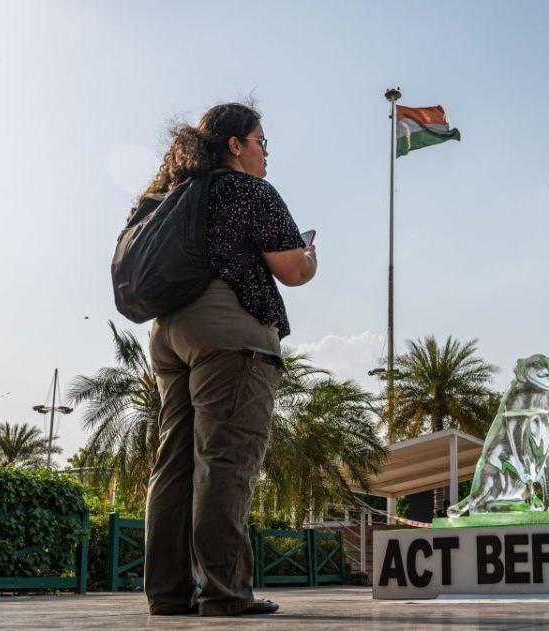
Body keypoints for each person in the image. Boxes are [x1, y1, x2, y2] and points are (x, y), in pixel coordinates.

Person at [140, 102, 316, 616]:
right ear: (236, 145)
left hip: (168, 333)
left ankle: (168, 594)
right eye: (262, 142)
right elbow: (292, 271)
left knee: (173, 464)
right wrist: (309, 255)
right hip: (229, 329)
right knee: (226, 461)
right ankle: (225, 593)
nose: (266, 155)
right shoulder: (246, 189)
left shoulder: (170, 196)